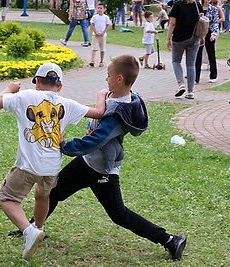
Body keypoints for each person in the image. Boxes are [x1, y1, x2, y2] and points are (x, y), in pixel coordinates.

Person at [48, 54, 187, 261]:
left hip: (101, 170)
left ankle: (170, 240)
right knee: (53, 191)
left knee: (119, 214)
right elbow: (104, 98)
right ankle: (32, 229)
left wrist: (64, 145)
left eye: (108, 75)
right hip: (86, 162)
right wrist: (103, 95)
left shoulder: (118, 115)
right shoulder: (120, 95)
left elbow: (95, 140)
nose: (106, 79)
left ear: (120, 79)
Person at [0, 62, 106, 260]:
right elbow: (99, 113)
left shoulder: (25, 96)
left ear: (37, 82)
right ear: (59, 86)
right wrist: (102, 94)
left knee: (7, 199)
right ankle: (39, 227)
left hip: (27, 165)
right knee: (42, 196)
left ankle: (29, 231)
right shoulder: (67, 103)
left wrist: (9, 88)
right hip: (51, 168)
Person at [166, 0, 203, 100]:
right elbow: (201, 20)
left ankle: (181, 84)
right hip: (194, 37)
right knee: (191, 64)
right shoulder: (197, 4)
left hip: (179, 38)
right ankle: (190, 91)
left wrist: (168, 38)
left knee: (176, 61)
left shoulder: (177, 5)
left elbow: (172, 23)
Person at [195, 0, 219, 85]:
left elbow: (215, 22)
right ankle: (195, 77)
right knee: (197, 55)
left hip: (209, 32)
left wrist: (214, 33)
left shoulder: (213, 9)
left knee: (211, 54)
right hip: (199, 33)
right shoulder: (197, 7)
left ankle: (213, 75)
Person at [89, 2, 111, 68]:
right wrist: (96, 32)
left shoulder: (106, 17)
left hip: (103, 35)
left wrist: (103, 32)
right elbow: (92, 25)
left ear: (104, 9)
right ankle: (92, 61)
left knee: (102, 49)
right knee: (94, 48)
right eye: (98, 8)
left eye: (101, 8)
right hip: (95, 35)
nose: (99, 10)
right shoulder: (95, 17)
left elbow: (107, 25)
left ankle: (101, 61)